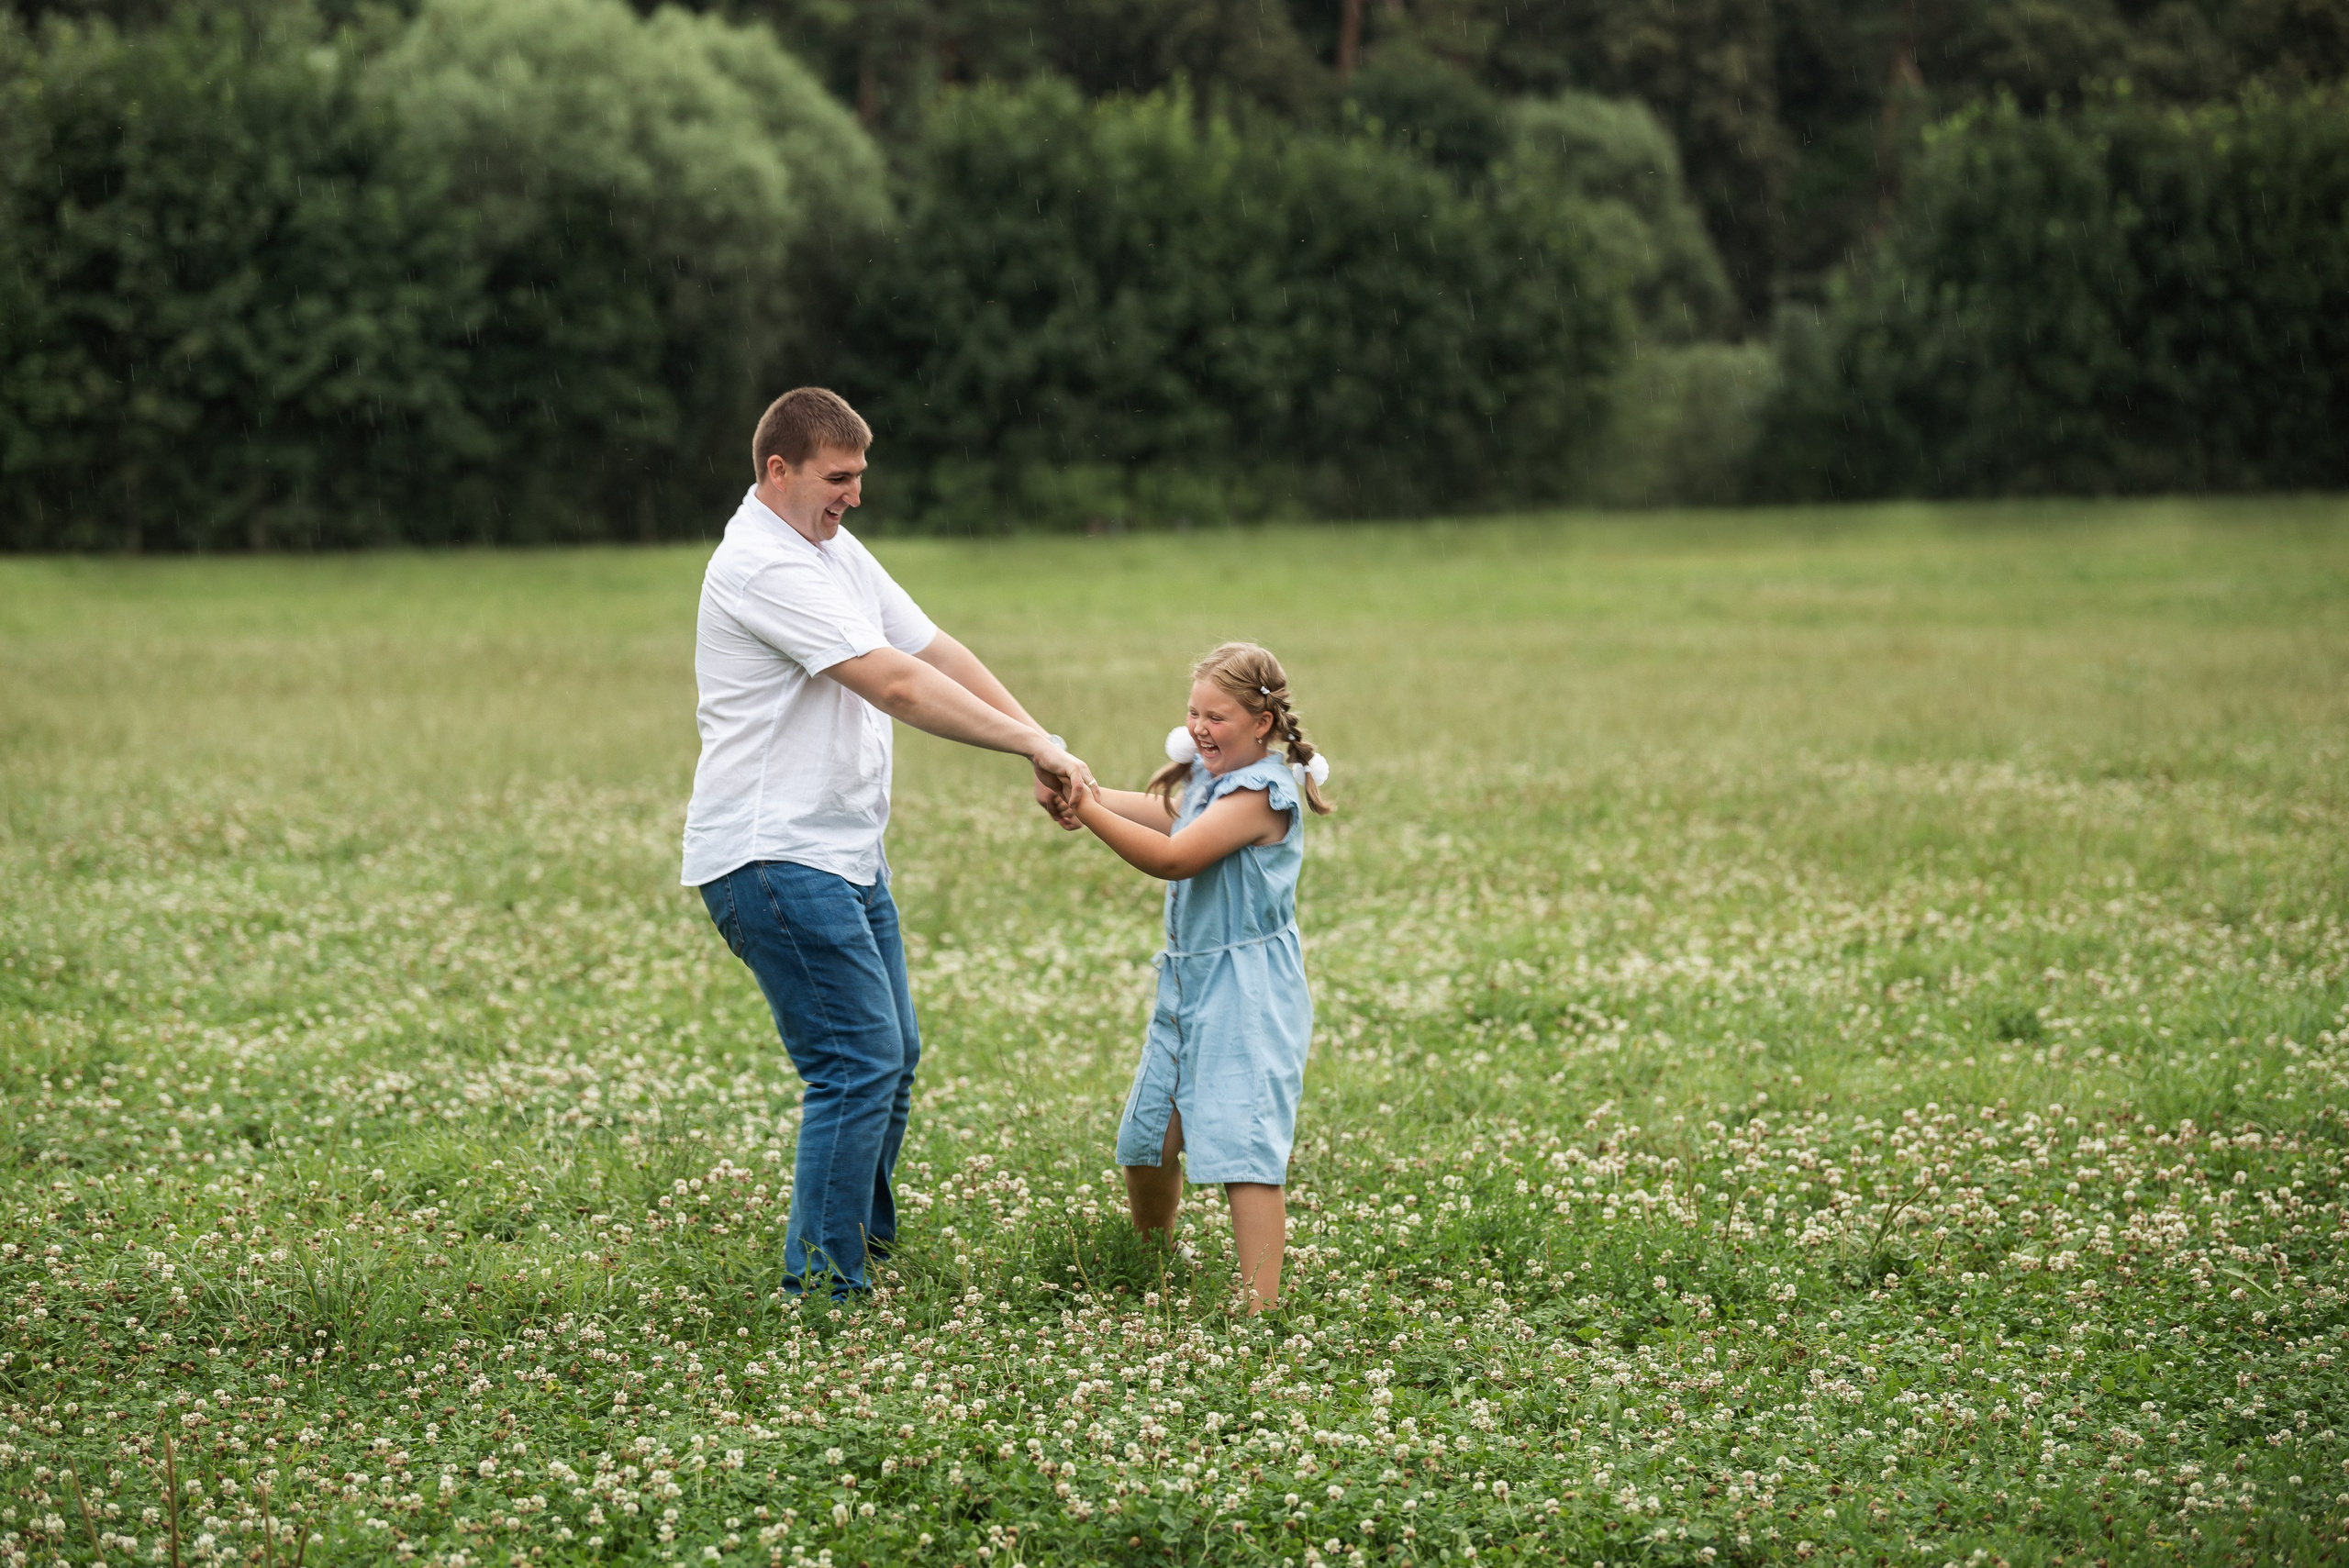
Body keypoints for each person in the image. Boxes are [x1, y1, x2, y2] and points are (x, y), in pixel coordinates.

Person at [683, 386, 1091, 1298]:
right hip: (774, 856)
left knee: (889, 1054)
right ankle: (824, 1287)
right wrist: (1028, 747)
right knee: (856, 1060)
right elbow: (896, 685)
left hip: (843, 853)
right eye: (839, 476)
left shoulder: (830, 548)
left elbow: (932, 649)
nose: (855, 494)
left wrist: (1042, 738)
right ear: (778, 470)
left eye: (860, 475)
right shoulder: (761, 564)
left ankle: (857, 1248)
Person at [1065, 642, 1334, 1313]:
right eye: (1193, 713)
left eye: (1216, 717)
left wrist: (1088, 814)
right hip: (1189, 984)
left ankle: (1259, 1310)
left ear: (1262, 723)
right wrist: (1087, 795)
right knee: (1147, 1139)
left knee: (1246, 1145)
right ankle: (1150, 1258)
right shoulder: (1216, 782)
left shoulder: (1263, 793)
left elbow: (1174, 856)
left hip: (1247, 990)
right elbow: (1178, 816)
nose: (1199, 728)